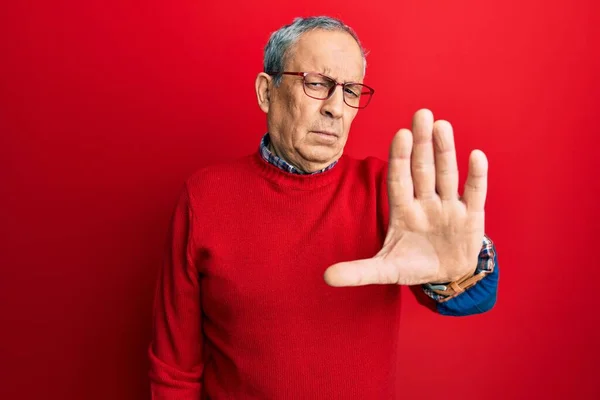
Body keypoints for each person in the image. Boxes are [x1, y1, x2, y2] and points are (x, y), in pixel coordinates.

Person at [148, 16, 499, 399]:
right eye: (317, 83)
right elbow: (174, 369)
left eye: (351, 91)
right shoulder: (204, 196)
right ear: (267, 91)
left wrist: (459, 271)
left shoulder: (388, 192)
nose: (336, 108)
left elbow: (475, 299)